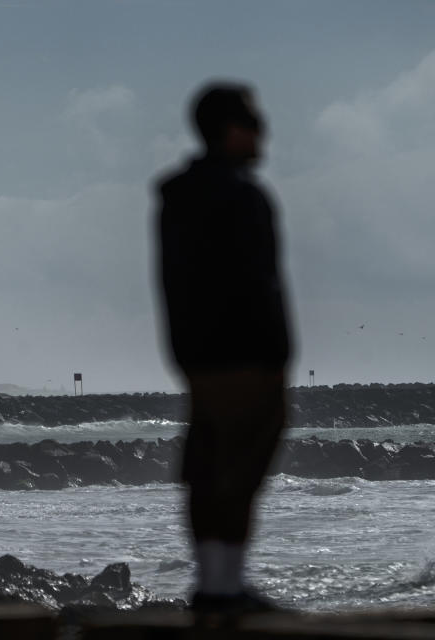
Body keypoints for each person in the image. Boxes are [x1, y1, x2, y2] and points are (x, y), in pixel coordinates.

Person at [156, 82, 293, 612]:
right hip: (245, 355)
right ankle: (224, 588)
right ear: (233, 131)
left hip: (197, 354)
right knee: (239, 464)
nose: (265, 135)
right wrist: (274, 354)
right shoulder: (239, 195)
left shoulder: (177, 196)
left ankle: (215, 583)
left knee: (210, 463)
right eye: (256, 124)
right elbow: (258, 283)